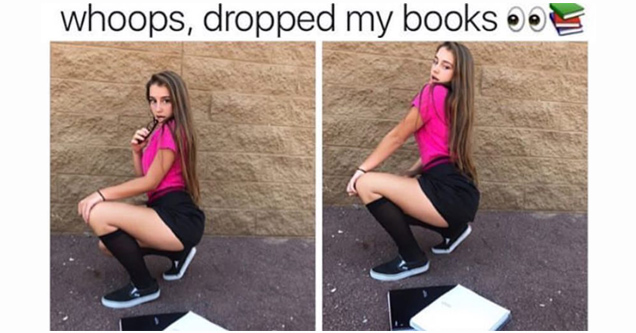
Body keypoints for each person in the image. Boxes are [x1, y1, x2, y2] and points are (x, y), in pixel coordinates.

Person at [346, 42, 480, 281]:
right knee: (391, 193)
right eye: (435, 61)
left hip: (445, 193)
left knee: (367, 185)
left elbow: (398, 135)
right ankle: (453, 229)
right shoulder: (455, 102)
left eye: (446, 66)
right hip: (461, 195)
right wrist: (410, 172)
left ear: (457, 74)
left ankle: (412, 258)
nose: (436, 69)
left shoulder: (433, 93)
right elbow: (438, 152)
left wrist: (361, 170)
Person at [77, 71, 205, 308]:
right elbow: (145, 178)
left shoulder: (172, 131)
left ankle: (144, 286)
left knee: (99, 213)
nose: (158, 107)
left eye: (166, 100)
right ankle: (179, 254)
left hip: (178, 217)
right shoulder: (160, 131)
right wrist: (137, 151)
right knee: (107, 245)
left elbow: (150, 183)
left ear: (178, 101)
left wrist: (100, 194)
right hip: (164, 212)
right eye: (153, 100)